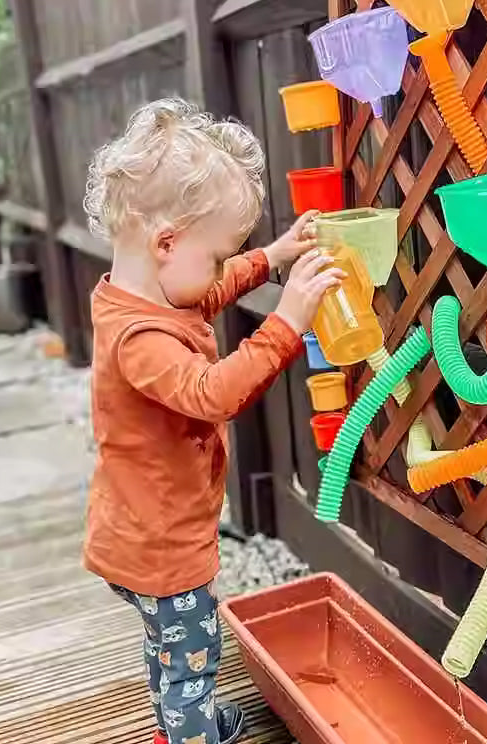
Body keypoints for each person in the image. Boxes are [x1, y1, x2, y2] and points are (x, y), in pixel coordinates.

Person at [81, 98, 344, 744]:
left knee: (172, 652)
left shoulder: (148, 292)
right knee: (193, 654)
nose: (223, 270)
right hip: (159, 548)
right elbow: (211, 392)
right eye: (217, 255)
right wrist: (287, 324)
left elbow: (210, 288)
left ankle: (176, 728)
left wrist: (275, 256)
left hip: (144, 533)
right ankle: (192, 732)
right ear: (166, 243)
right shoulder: (138, 339)